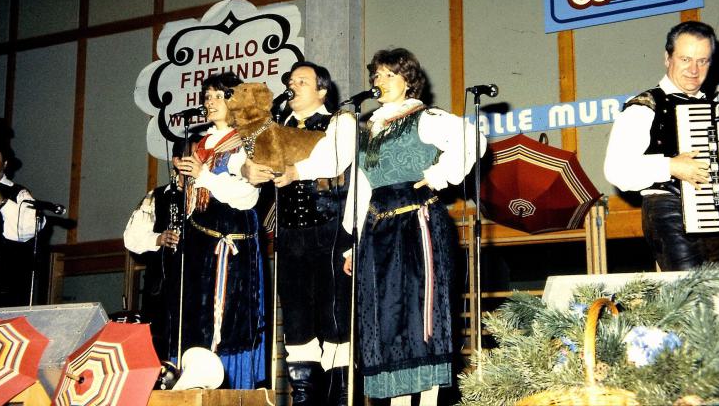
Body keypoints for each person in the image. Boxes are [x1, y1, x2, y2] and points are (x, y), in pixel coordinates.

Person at [276, 48, 485, 405]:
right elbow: (361, 187)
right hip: (378, 229)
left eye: (390, 74)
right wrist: (351, 243)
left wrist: (439, 175)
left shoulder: (425, 117)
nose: (380, 80)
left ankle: (428, 400)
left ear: (408, 81)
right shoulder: (370, 127)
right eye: (377, 75)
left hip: (417, 222)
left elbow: (473, 138)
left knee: (420, 315)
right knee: (386, 318)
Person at [244, 61, 354, 406]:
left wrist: (295, 171)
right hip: (290, 237)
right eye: (290, 81)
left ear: (322, 90)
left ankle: (339, 398)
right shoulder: (274, 127)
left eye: (302, 81)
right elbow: (250, 162)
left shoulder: (340, 122)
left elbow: (334, 159)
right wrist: (249, 170)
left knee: (334, 317)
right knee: (295, 320)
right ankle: (304, 398)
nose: (292, 86)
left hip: (330, 232)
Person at [604, 21, 719, 271]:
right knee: (692, 292)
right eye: (685, 59)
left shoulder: (717, 110)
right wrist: (671, 166)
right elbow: (616, 170)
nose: (694, 69)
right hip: (669, 211)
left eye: (703, 61)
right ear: (668, 58)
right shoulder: (644, 107)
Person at [173, 72, 266, 388]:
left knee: (224, 320)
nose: (210, 102)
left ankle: (229, 388)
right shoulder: (200, 144)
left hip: (228, 245)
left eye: (218, 96)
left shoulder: (246, 141)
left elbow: (247, 196)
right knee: (194, 319)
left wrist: (203, 177)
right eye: (207, 96)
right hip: (200, 244)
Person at [123, 135, 198, 361]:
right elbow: (131, 237)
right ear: (177, 161)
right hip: (162, 292)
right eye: (195, 155)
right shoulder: (157, 196)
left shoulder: (213, 196)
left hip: (198, 290)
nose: (201, 160)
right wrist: (158, 239)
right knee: (159, 351)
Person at [0, 115, 44, 308]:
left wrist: (0, 201)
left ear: (4, 164)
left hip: (5, 293)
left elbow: (28, 229)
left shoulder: (19, 193)